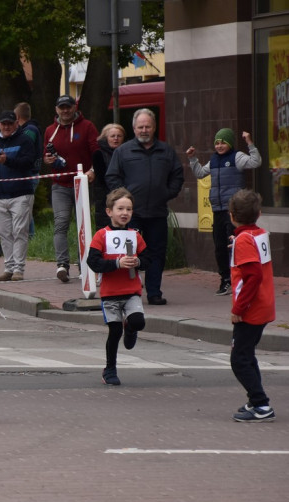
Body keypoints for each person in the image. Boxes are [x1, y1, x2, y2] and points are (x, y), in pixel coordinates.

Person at [105, 108, 184, 306]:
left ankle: (154, 293)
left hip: (157, 213)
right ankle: (129, 292)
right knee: (129, 255)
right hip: (132, 216)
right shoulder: (123, 151)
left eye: (148, 126)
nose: (144, 130)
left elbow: (177, 176)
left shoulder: (166, 151)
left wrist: (167, 193)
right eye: (140, 127)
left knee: (156, 253)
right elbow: (112, 177)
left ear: (154, 127)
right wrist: (124, 201)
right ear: (134, 128)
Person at [186, 129, 262, 296]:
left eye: (223, 143)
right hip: (218, 210)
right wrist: (192, 158)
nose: (219, 146)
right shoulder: (213, 160)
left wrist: (249, 142)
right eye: (217, 143)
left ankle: (239, 279)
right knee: (220, 246)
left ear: (230, 143)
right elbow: (199, 173)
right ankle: (225, 280)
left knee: (234, 246)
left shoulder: (237, 157)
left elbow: (256, 162)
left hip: (234, 211)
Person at [86, 188, 147, 387]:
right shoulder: (101, 235)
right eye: (120, 208)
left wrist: (138, 262)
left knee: (138, 321)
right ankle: (110, 369)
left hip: (131, 291)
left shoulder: (135, 235)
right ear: (109, 211)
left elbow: (148, 259)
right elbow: (93, 262)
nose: (124, 213)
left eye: (128, 209)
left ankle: (130, 326)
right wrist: (116, 264)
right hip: (110, 293)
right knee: (114, 332)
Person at [227, 189, 275, 423]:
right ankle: (256, 400)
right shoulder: (257, 234)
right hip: (264, 304)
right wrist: (237, 243)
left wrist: (238, 309)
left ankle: (261, 404)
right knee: (248, 354)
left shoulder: (244, 240)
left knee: (239, 359)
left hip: (251, 308)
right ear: (259, 214)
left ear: (231, 215)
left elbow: (252, 276)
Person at [43, 94, 99, 283]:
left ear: (74, 107)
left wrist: (92, 171)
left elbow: (96, 153)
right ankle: (62, 265)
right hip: (60, 184)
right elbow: (46, 155)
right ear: (56, 109)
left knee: (83, 225)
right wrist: (48, 160)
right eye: (62, 107)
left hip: (82, 182)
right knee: (61, 223)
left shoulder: (87, 126)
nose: (65, 111)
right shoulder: (50, 130)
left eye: (68, 107)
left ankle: (84, 264)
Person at [0, 110, 38, 281]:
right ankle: (8, 268)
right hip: (0, 195)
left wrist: (7, 160)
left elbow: (29, 162)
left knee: (19, 232)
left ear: (16, 124)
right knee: (3, 232)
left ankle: (19, 269)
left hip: (21, 194)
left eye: (10, 124)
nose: (7, 127)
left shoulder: (24, 140)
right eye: (3, 124)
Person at [14, 102, 42, 237]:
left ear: (17, 116)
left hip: (29, 173)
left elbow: (24, 149)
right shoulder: (31, 128)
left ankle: (29, 236)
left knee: (24, 208)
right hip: (29, 173)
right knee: (24, 207)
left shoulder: (29, 130)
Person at [91, 124, 126, 229]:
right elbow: (102, 179)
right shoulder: (98, 154)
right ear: (106, 138)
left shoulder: (127, 153)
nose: (116, 138)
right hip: (105, 199)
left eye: (119, 136)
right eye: (112, 136)